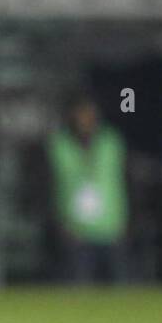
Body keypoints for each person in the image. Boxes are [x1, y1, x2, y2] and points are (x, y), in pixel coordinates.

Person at [47, 94, 128, 283]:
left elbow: (127, 182)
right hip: (76, 229)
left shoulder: (111, 141)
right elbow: (48, 186)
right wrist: (58, 222)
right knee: (78, 284)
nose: (85, 119)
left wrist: (128, 221)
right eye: (81, 114)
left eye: (89, 114)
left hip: (111, 226)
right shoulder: (59, 144)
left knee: (121, 286)